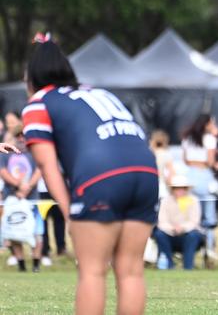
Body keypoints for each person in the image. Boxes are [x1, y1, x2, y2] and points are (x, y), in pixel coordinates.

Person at [22, 38, 158, 314]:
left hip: (101, 174)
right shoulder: (100, 93)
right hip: (146, 170)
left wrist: (70, 213)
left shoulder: (39, 102)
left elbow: (47, 166)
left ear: (32, 77)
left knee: (92, 271)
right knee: (131, 272)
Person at [0, 131, 44, 272]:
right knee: (13, 231)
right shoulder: (5, 153)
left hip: (32, 199)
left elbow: (40, 169)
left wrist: (27, 186)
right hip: (11, 199)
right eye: (17, 136)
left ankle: (36, 265)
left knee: (37, 232)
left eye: (23, 136)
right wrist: (19, 186)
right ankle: (22, 266)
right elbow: (3, 171)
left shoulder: (35, 152)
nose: (21, 139)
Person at [181, 114, 218, 258]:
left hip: (189, 176)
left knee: (190, 213)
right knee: (208, 216)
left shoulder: (187, 138)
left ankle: (187, 248)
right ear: (206, 125)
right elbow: (210, 161)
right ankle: (209, 248)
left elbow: (184, 159)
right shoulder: (210, 139)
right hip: (204, 175)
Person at [153, 175, 203, 270]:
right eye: (177, 188)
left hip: (188, 234)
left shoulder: (193, 200)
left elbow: (194, 221)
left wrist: (182, 228)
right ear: (172, 189)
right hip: (170, 234)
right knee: (159, 234)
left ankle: (188, 267)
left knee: (193, 235)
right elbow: (162, 221)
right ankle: (169, 265)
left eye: (183, 188)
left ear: (186, 189)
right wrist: (172, 229)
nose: (180, 191)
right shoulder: (165, 201)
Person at [149, 130, 175, 201]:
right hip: (162, 186)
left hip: (150, 185)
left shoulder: (150, 153)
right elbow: (171, 174)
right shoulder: (166, 154)